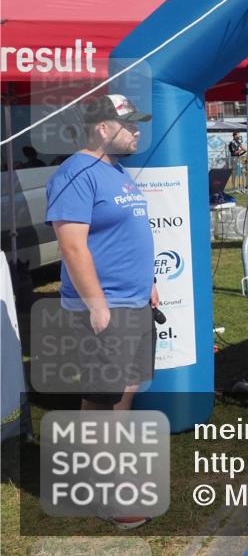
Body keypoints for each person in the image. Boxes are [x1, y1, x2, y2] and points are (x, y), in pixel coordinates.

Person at [44, 94, 159, 530]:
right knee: (100, 397)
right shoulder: (75, 173)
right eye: (129, 124)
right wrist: (97, 305)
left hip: (133, 302)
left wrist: (148, 281)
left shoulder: (117, 171)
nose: (137, 131)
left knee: (124, 389)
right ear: (103, 128)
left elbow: (126, 234)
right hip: (105, 307)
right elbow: (72, 246)